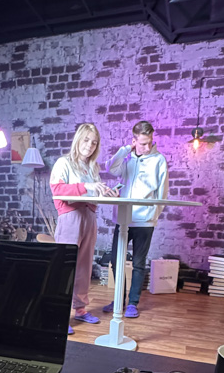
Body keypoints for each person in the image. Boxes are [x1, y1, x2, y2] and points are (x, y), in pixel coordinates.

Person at [50, 123, 117, 334]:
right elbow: (57, 189)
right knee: (65, 266)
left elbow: (93, 193)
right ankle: (58, 315)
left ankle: (80, 309)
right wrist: (87, 187)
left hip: (89, 216)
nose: (90, 145)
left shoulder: (92, 167)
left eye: (94, 142)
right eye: (86, 140)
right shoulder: (64, 163)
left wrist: (106, 193)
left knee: (84, 267)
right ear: (78, 139)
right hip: (71, 216)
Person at [103, 120, 169, 318]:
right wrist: (126, 150)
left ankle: (132, 303)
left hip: (145, 221)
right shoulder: (127, 159)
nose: (147, 147)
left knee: (139, 263)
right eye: (142, 143)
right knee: (116, 260)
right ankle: (119, 299)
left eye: (150, 142)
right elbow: (109, 168)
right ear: (134, 141)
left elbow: (162, 193)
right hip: (123, 219)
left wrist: (153, 216)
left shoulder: (159, 160)